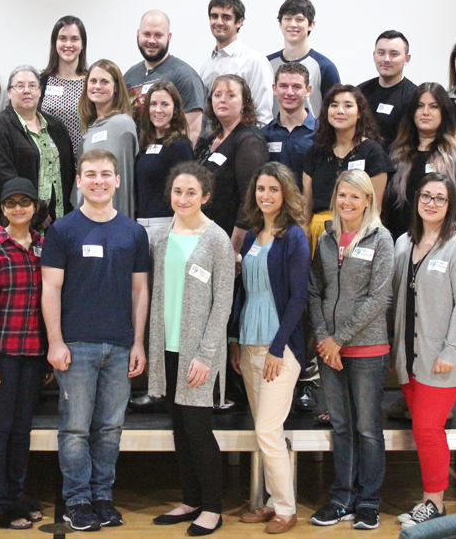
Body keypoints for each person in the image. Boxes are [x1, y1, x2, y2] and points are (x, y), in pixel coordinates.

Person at [41, 149, 150, 532]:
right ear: (79, 181)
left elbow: (140, 291)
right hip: (77, 346)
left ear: (118, 181)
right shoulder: (63, 230)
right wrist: (55, 342)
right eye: (91, 174)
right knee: (74, 428)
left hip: (120, 346)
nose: (99, 180)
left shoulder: (134, 232)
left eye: (106, 174)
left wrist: (138, 342)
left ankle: (103, 495)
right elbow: (50, 290)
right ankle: (77, 500)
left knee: (109, 428)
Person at [145, 162, 234, 536]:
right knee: (179, 429)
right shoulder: (162, 237)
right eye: (178, 192)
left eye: (191, 193)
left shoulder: (217, 240)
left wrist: (206, 354)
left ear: (206, 197)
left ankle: (213, 507)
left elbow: (223, 303)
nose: (183, 198)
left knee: (199, 430)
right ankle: (191, 499)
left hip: (199, 352)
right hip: (167, 347)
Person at [391, 173, 456, 528]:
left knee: (428, 430)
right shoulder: (402, 243)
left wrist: (452, 350)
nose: (431, 203)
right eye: (426, 196)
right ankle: (430, 499)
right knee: (422, 429)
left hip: (441, 357)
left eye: (440, 198)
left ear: (450, 205)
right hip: (408, 356)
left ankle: (434, 503)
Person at [308, 170, 393, 531]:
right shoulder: (326, 238)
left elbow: (379, 297)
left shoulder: (381, 238)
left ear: (368, 200)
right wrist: (325, 337)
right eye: (342, 195)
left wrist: (339, 338)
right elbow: (315, 291)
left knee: (368, 428)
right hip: (329, 349)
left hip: (367, 348)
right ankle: (342, 497)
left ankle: (369, 501)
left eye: (355, 197)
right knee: (342, 426)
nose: (347, 203)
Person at [228, 162, 309, 534]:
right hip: (249, 342)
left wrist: (278, 349)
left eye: (273, 189)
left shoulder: (293, 236)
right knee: (265, 431)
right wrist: (234, 341)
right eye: (261, 189)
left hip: (280, 347)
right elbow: (242, 292)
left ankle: (287, 509)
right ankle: (272, 502)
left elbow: (297, 299)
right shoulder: (251, 236)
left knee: (267, 430)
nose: (266, 195)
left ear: (286, 193)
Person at [0, 178, 46, 530]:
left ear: (35, 207)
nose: (18, 208)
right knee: (0, 429)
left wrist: (47, 353)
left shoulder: (43, 246)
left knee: (22, 429)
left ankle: (16, 495)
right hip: (1, 354)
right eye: (11, 202)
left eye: (25, 202)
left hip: (33, 353)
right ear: (2, 208)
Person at [0, 65, 76, 233]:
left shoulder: (56, 127)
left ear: (40, 92)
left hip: (60, 223)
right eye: (19, 86)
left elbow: (68, 173)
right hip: (20, 225)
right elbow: (0, 175)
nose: (26, 91)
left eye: (32, 86)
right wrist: (34, 209)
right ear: (9, 93)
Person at [383, 82, 456, 240]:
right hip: (403, 245)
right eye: (420, 106)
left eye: (433, 106)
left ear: (444, 112)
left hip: (446, 246)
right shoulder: (397, 154)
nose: (425, 112)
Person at [302, 84, 390, 254]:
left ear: (359, 113)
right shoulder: (316, 151)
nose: (340, 111)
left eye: (348, 105)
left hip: (357, 235)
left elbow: (375, 208)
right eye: (334, 105)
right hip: (317, 234)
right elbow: (306, 204)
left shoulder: (372, 152)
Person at [195, 74, 268, 249]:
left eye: (231, 95)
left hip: (230, 239)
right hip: (204, 236)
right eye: (217, 95)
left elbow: (249, 200)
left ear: (244, 103)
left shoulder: (249, 140)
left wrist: (234, 248)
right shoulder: (208, 140)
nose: (222, 100)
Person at [124, 10, 205, 143]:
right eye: (146, 34)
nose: (151, 41)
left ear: (169, 37)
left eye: (158, 35)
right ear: (138, 34)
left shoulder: (184, 76)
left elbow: (193, 131)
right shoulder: (129, 77)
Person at [200, 0, 274, 126]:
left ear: (239, 22)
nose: (219, 22)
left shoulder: (254, 61)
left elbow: (263, 116)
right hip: (211, 143)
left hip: (244, 143)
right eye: (214, 16)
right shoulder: (206, 66)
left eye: (226, 17)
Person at [78, 60, 139, 218]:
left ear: (116, 87)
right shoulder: (89, 128)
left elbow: (124, 180)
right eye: (93, 81)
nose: (97, 86)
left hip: (113, 217)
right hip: (86, 213)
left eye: (104, 81)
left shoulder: (122, 125)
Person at [267, 0, 339, 118]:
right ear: (280, 24)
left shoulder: (324, 67)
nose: (293, 24)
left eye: (299, 19)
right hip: (273, 136)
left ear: (311, 25)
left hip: (313, 136)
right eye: (288, 19)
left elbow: (335, 110)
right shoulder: (267, 64)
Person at [135, 81, 195, 225]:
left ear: (175, 109)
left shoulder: (180, 145)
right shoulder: (144, 144)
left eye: (165, 104)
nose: (158, 110)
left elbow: (189, 190)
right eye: (153, 104)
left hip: (168, 223)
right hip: (142, 222)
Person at [358, 30, 417, 148]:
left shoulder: (414, 96)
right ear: (374, 55)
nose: (386, 59)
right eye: (381, 53)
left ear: (407, 59)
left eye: (394, 54)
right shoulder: (360, 92)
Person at [39, 16, 88, 158]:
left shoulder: (92, 83)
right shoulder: (41, 82)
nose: (68, 44)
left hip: (84, 161)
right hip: (49, 163)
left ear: (82, 44)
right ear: (55, 42)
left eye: (74, 39)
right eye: (62, 38)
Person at [261, 62, 317, 182]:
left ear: (308, 90)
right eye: (283, 86)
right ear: (274, 89)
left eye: (296, 87)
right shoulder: (263, 135)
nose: (289, 92)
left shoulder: (322, 133)